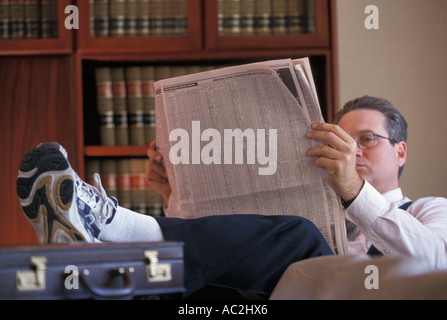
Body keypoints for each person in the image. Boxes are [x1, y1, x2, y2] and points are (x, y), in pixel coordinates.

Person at [16, 96, 447, 298]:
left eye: (367, 139)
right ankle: (102, 274)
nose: (352, 150)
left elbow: (436, 264)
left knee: (298, 235)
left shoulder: (430, 210)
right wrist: (175, 195)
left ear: (401, 150)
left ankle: (114, 229)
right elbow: (224, 254)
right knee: (216, 288)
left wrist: (355, 192)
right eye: (341, 139)